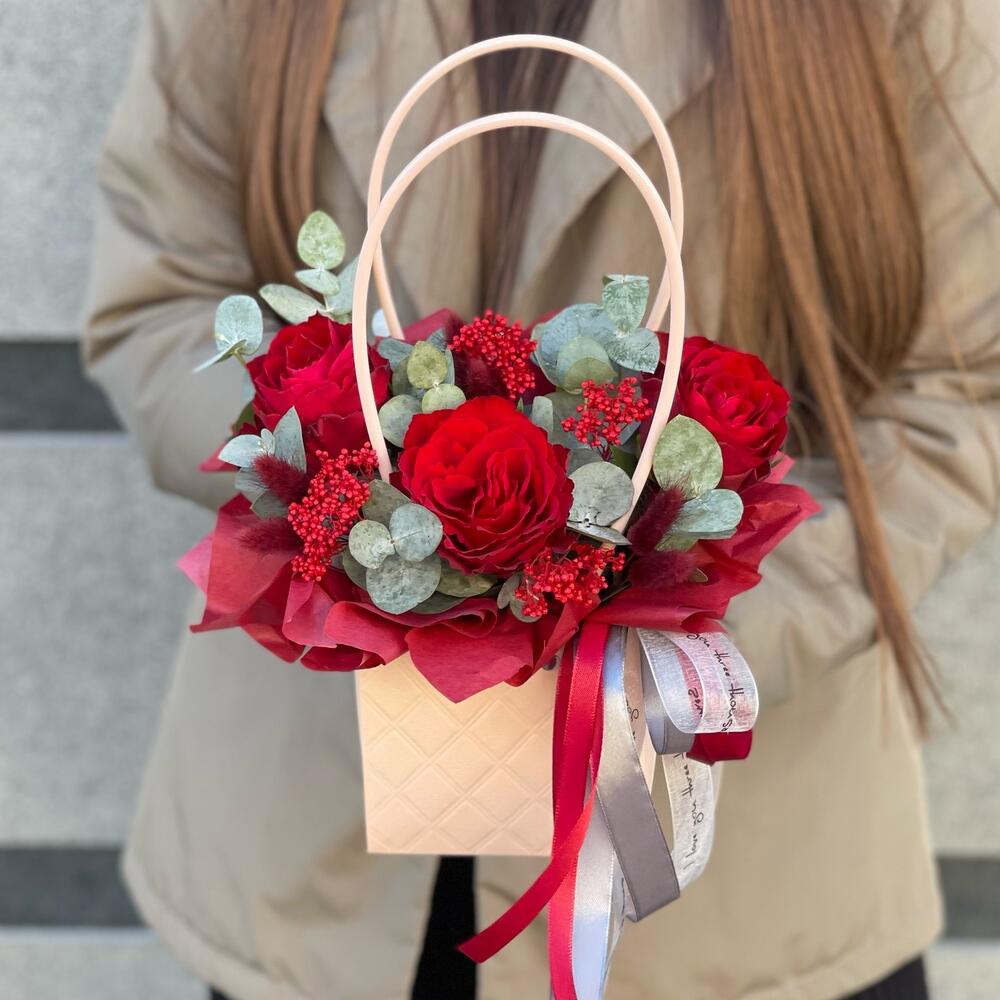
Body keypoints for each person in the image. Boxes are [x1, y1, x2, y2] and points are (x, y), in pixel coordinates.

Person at [83, 1, 999, 998]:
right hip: (326, 845)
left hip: (740, 889)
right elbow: (160, 303)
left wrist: (677, 643)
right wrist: (348, 505)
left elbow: (959, 390)